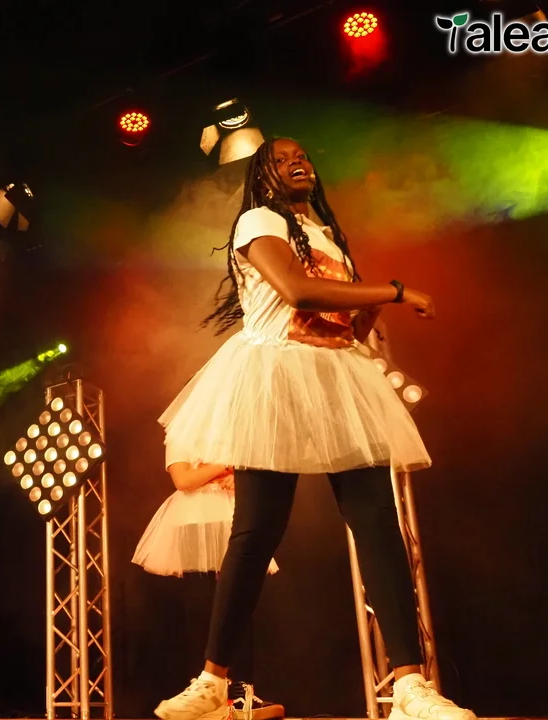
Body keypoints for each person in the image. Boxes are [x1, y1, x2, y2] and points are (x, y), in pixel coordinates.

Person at [154, 138, 476, 720]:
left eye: (302, 155)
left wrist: (366, 312)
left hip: (335, 376)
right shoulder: (259, 220)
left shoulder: (325, 235)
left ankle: (410, 687)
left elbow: (341, 328)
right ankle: (211, 684)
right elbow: (298, 292)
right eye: (279, 160)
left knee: (377, 524)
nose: (296, 162)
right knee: (256, 530)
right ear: (263, 178)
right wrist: (394, 291)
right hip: (276, 374)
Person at [133, 446, 283, 720]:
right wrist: (221, 467)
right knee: (201, 605)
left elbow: (248, 468)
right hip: (194, 520)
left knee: (238, 602)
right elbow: (183, 480)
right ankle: (205, 689)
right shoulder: (180, 432)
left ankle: (242, 691)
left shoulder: (224, 429)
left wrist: (231, 476)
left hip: (230, 516)